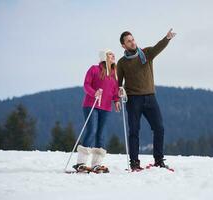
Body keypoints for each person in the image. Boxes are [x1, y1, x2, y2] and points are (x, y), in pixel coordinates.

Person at [117, 29, 176, 171]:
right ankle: (134, 163)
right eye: (128, 41)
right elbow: (118, 83)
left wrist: (166, 38)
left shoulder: (146, 54)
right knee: (134, 131)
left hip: (150, 97)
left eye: (133, 39)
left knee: (159, 128)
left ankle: (159, 160)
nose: (132, 42)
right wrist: (117, 96)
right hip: (133, 100)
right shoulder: (122, 63)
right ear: (123, 45)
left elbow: (158, 47)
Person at [73, 49, 121, 173]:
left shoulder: (114, 74)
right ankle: (81, 163)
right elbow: (86, 84)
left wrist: (116, 100)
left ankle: (96, 164)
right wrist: (94, 93)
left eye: (113, 54)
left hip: (106, 107)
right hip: (91, 105)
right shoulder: (94, 69)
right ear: (104, 57)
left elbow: (114, 91)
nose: (113, 55)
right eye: (110, 54)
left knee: (101, 134)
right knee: (92, 130)